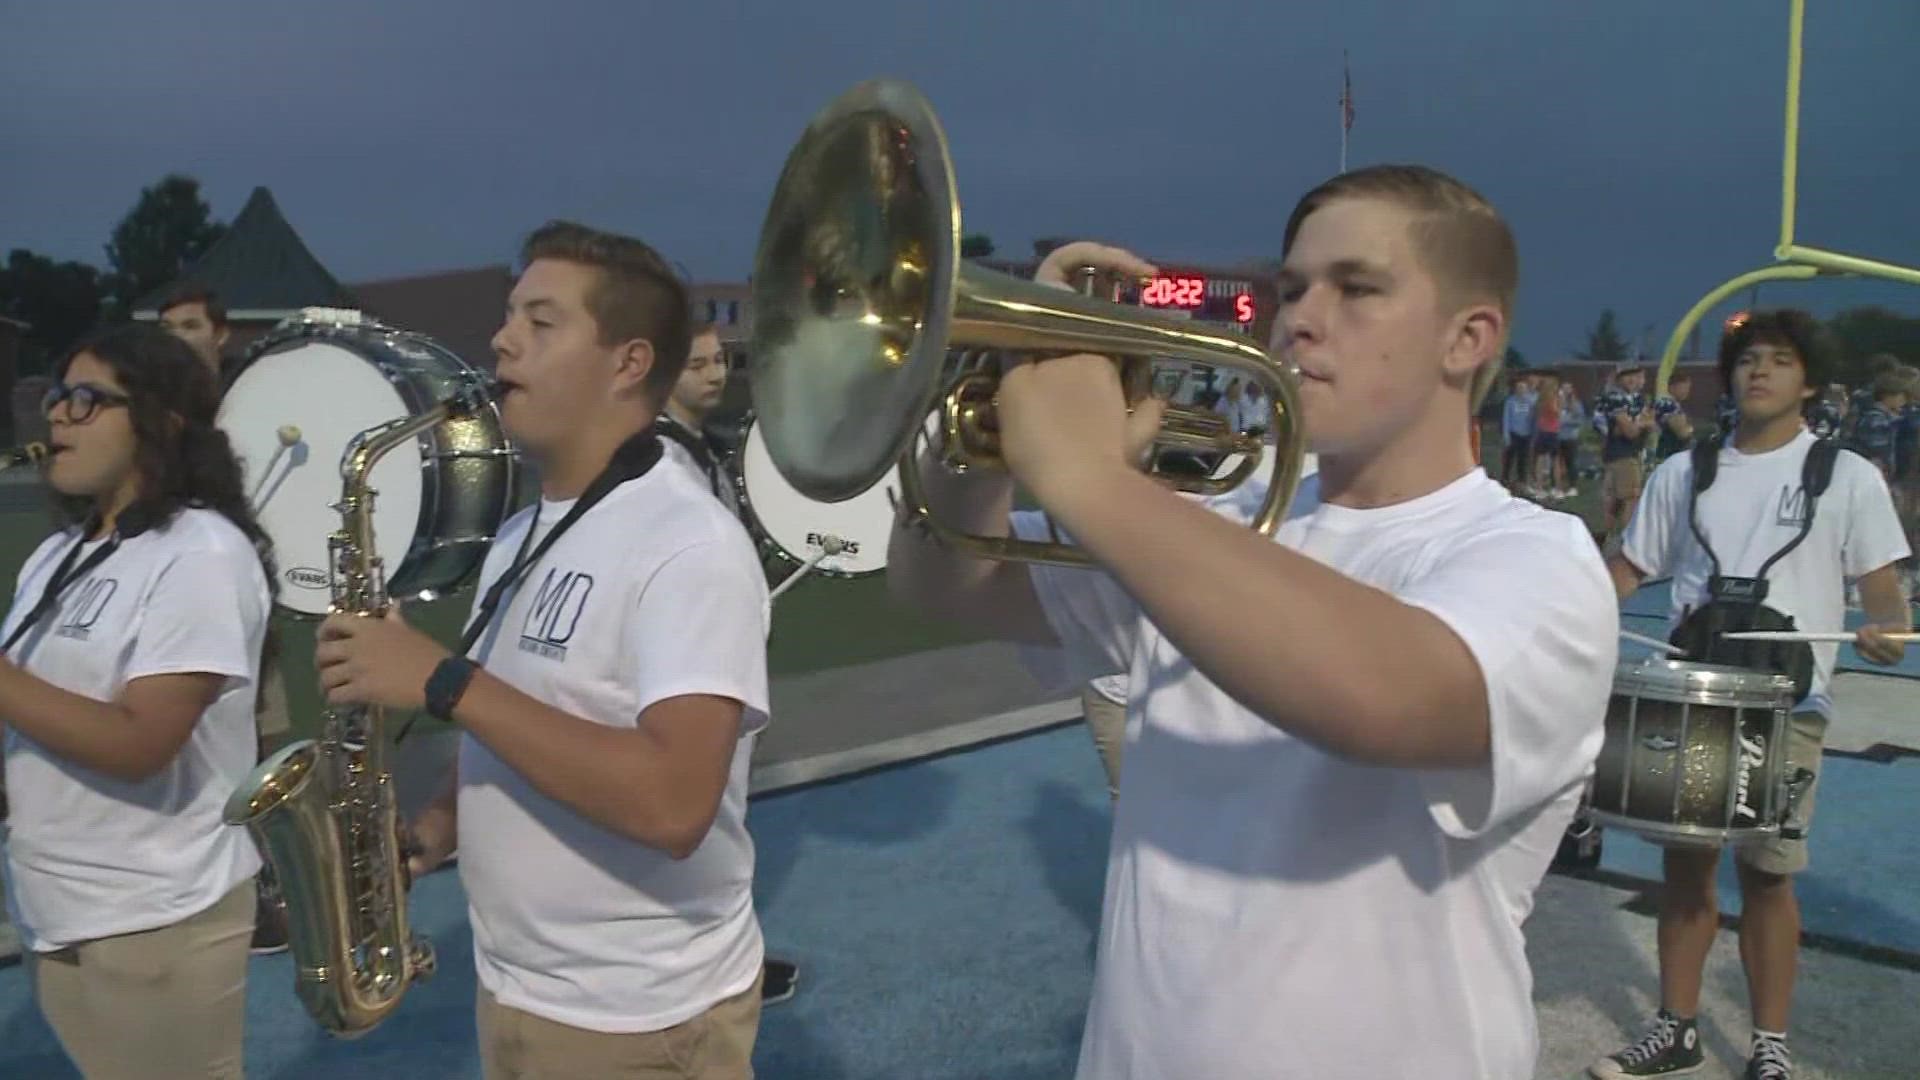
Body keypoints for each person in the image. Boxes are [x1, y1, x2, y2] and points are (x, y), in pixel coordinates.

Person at [889, 164, 1619, 1078]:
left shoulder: (1536, 557)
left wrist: (1092, 480)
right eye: (1293, 287)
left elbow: (1389, 697)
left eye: (1356, 289)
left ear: (1468, 338)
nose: (1301, 317)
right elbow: (944, 584)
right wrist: (996, 415)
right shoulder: (1217, 525)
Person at [315, 221, 771, 1079]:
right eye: (508, 315)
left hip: (643, 1018)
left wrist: (443, 679)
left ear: (628, 363)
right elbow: (525, 710)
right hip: (520, 992)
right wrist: (440, 825)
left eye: (541, 320)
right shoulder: (526, 528)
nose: (501, 339)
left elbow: (675, 804)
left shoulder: (689, 542)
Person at [1591, 309, 1911, 1080]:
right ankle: (1677, 1027)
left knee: (1770, 874)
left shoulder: (1847, 477)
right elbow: (1626, 576)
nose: (1759, 372)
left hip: (1787, 708)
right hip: (1694, 698)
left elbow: (1884, 601)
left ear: (1808, 380)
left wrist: (1886, 634)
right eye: (1747, 361)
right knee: (1687, 872)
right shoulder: (1685, 470)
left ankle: (1769, 1045)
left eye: (1779, 361)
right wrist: (1573, 605)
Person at [0, 324, 273, 1080]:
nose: (57, 415)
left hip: (159, 916)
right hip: (57, 908)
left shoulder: (203, 553)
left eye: (88, 400)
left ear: (161, 421)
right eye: (57, 396)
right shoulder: (60, 554)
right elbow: (35, 718)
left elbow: (140, 744)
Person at [656, 318, 803, 1007]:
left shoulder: (703, 449)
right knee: (708, 822)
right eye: (697, 364)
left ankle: (726, 957)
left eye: (719, 360)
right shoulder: (660, 458)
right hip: (698, 669)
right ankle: (711, 972)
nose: (715, 373)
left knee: (727, 818)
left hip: (727, 660)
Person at [157, 282, 296, 955]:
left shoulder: (253, 411)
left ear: (220, 334)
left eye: (188, 325)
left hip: (252, 599)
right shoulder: (159, 421)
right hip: (186, 609)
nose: (177, 337)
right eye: (167, 327)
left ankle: (269, 894)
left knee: (260, 748)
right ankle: (217, 893)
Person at [1595, 361, 1656, 546]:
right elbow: (1630, 431)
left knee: (1615, 500)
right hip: (1622, 453)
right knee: (1630, 496)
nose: (1632, 379)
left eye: (1636, 375)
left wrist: (1640, 424)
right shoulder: (1615, 398)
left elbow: (1647, 423)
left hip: (1628, 452)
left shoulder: (1637, 399)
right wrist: (1642, 424)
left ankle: (1605, 538)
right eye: (1627, 375)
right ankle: (1628, 540)